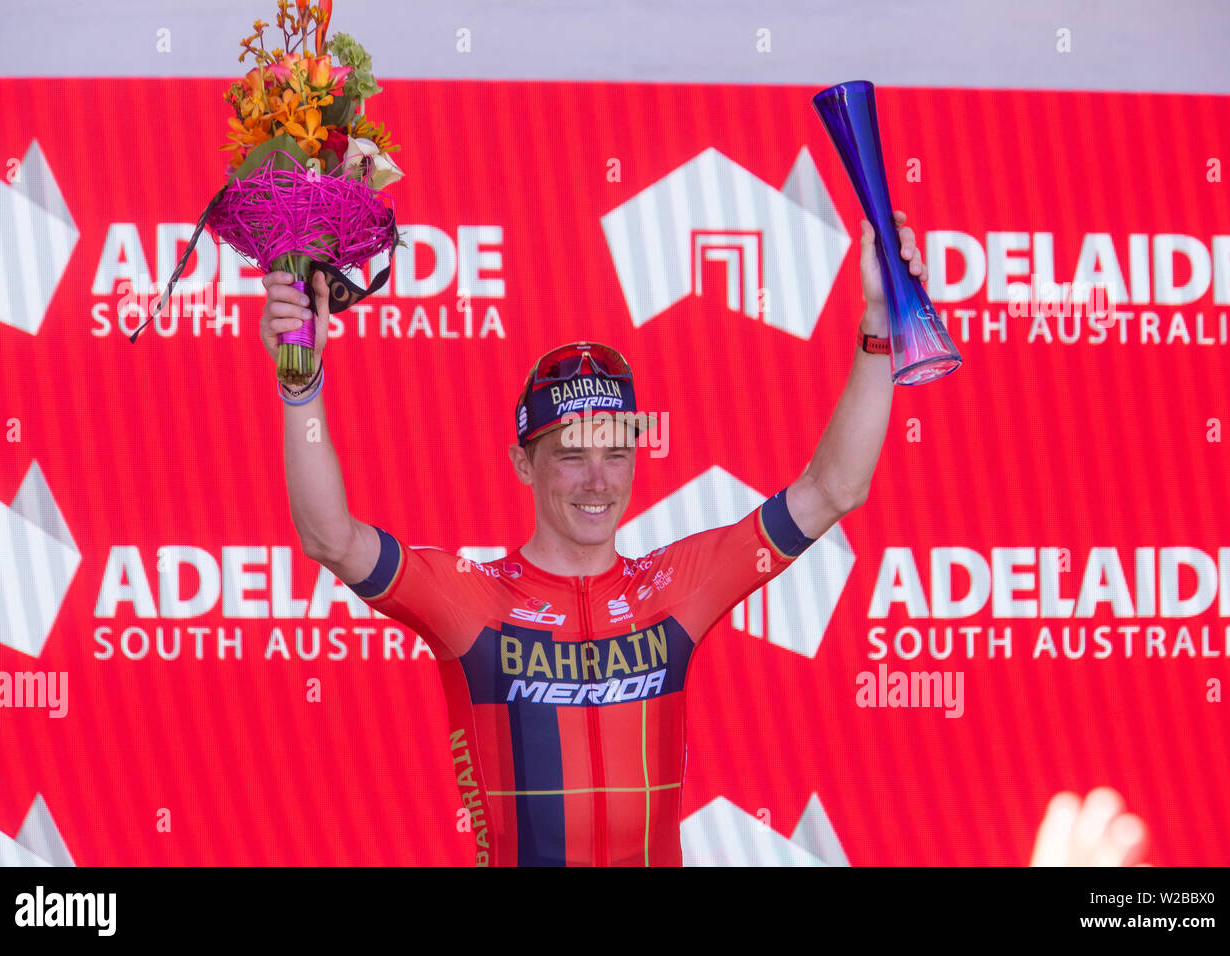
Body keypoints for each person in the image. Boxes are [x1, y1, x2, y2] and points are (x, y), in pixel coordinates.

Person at [260, 211, 925, 866]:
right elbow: (330, 537)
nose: (597, 481)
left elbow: (835, 489)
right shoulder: (473, 599)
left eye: (616, 452)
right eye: (571, 455)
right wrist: (301, 389)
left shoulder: (674, 586)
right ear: (525, 465)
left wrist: (877, 327)